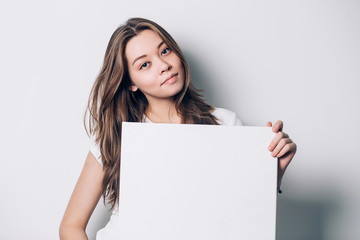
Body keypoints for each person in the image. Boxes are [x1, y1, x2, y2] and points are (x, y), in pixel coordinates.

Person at [59, 17, 297, 239]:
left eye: (165, 51)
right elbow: (71, 225)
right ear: (131, 83)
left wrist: (275, 170)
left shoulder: (225, 123)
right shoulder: (117, 137)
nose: (163, 65)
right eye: (144, 65)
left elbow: (242, 213)